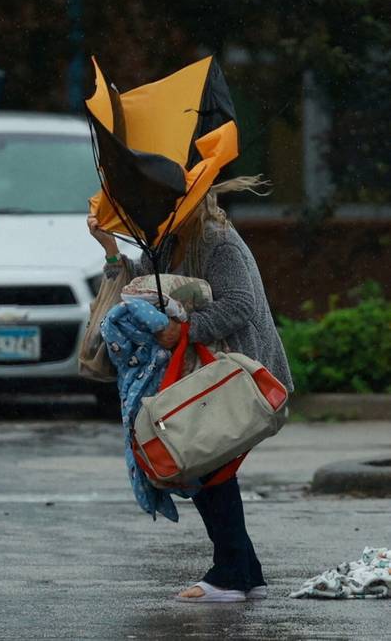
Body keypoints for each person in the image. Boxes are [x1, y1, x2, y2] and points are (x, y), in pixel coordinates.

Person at [87, 176, 294, 603]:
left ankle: (231, 575)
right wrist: (109, 248)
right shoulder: (162, 242)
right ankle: (243, 571)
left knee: (207, 464)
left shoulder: (219, 241)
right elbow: (139, 289)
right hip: (203, 372)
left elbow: (241, 305)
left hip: (239, 372)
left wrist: (184, 329)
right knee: (205, 464)